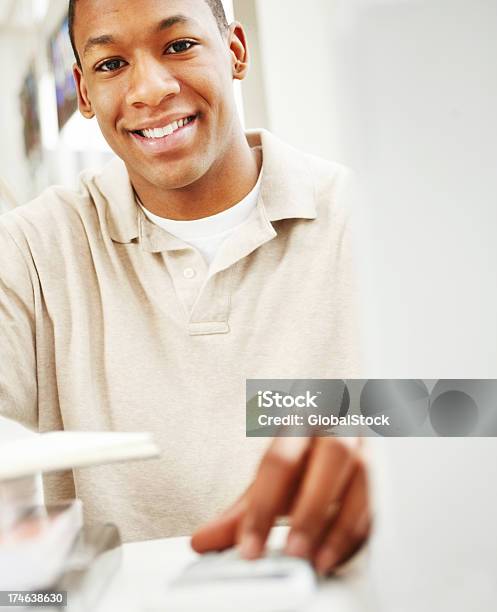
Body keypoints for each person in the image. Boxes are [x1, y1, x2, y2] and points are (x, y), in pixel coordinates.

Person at [0, 0, 370, 576]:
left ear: (235, 52)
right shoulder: (29, 251)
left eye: (179, 46)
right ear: (85, 92)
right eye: (110, 64)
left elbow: (472, 406)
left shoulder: (368, 218)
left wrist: (396, 450)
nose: (148, 89)